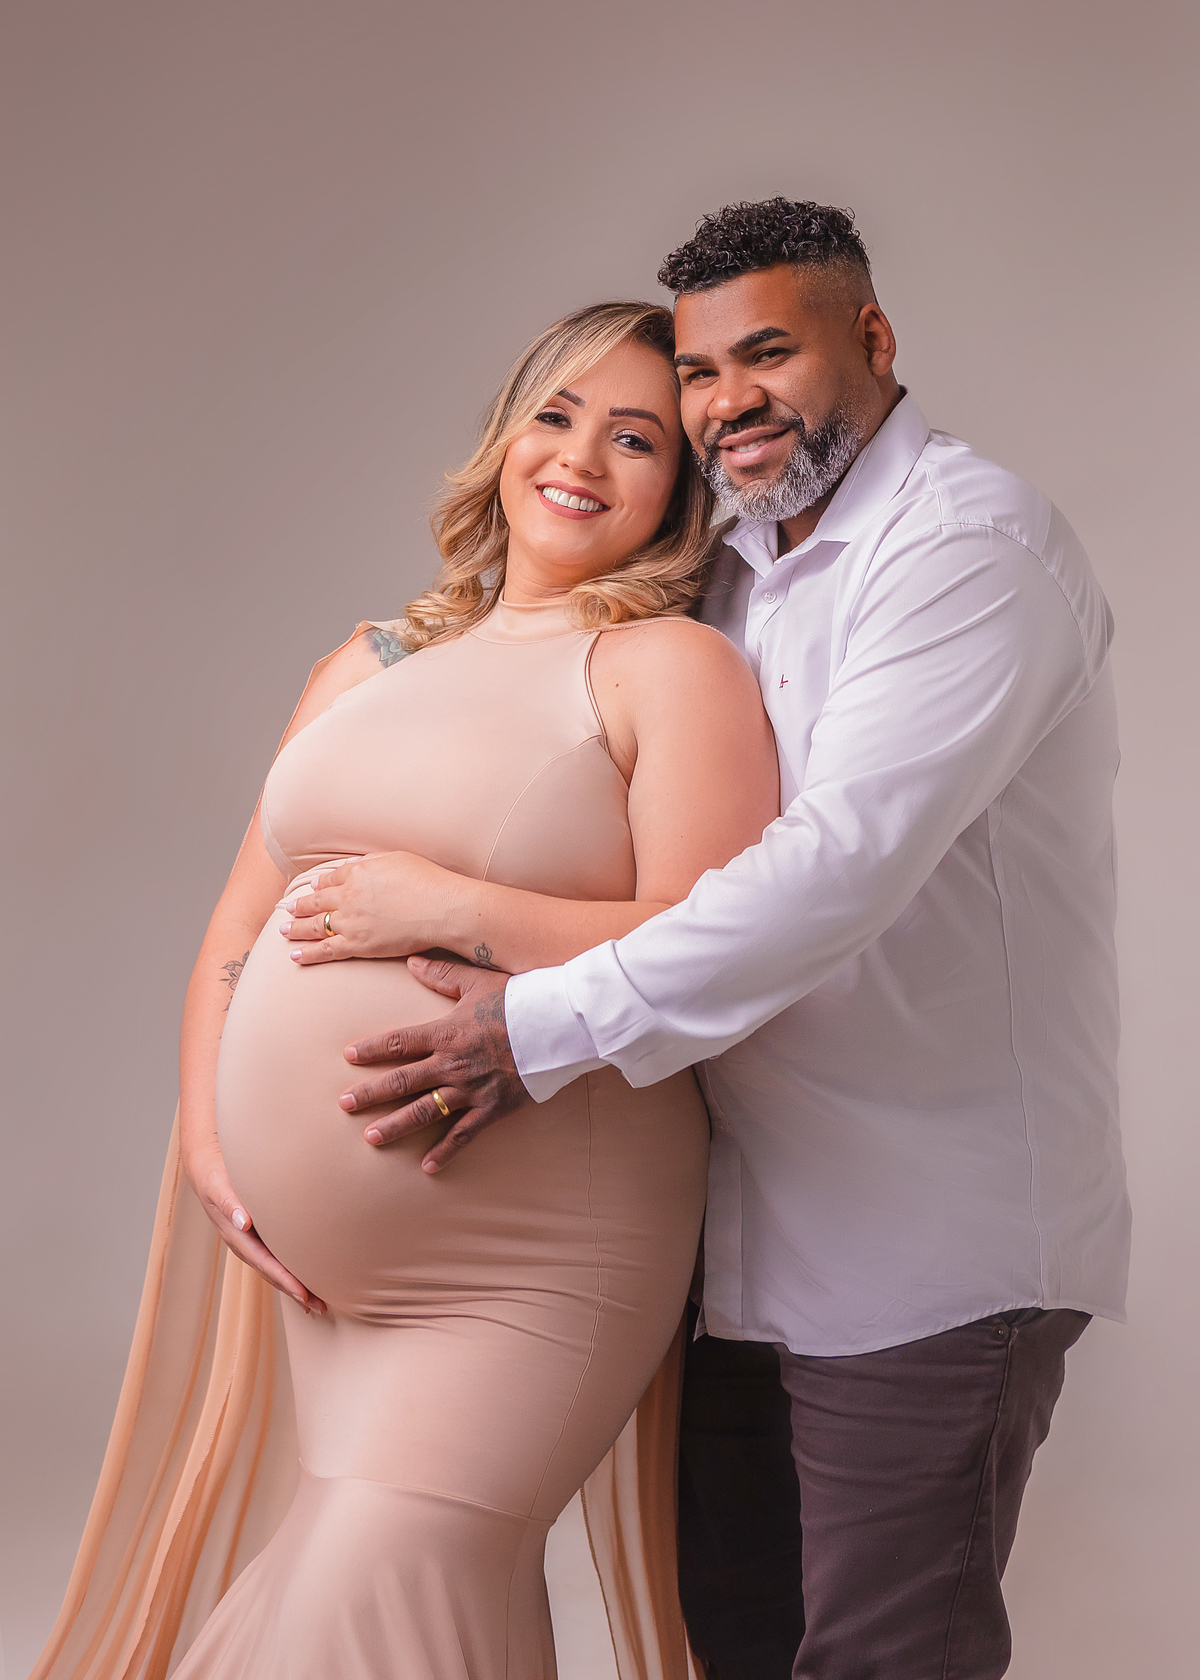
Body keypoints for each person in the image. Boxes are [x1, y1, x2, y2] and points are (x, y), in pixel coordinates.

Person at [330, 200, 1132, 1680]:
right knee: (738, 1650)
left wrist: (528, 1025)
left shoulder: (967, 546)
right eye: (700, 373)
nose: (726, 402)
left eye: (770, 354)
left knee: (883, 1660)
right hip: (735, 1238)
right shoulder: (733, 562)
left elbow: (830, 875)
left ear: (873, 339)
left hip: (923, 1245)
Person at [32, 301, 779, 1680]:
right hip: (329, 1276)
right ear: (505, 436)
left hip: (535, 1244)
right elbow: (236, 930)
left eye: (635, 440)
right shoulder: (371, 661)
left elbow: (717, 940)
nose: (581, 459)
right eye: (556, 416)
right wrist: (213, 1146)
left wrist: (460, 909)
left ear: (681, 489)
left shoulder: (666, 666)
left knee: (385, 1580)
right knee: (415, 1605)